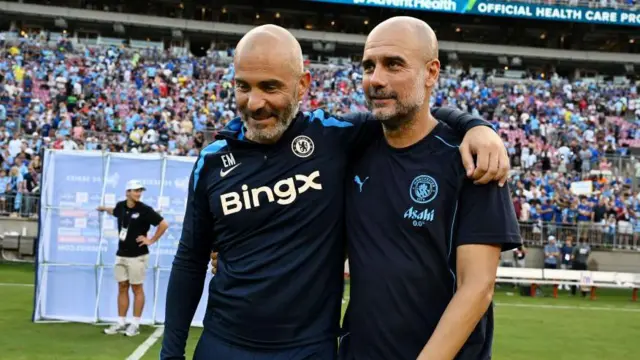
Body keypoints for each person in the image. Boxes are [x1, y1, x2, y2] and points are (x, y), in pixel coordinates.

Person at [161, 24, 509, 360]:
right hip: (228, 344)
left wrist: (477, 126)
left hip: (311, 349)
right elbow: (191, 260)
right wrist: (171, 354)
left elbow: (410, 115)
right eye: (242, 86)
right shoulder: (213, 162)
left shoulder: (335, 138)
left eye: (270, 86)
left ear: (302, 86)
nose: (255, 103)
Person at [340, 17, 522, 360]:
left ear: (431, 72)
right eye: (368, 66)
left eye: (394, 64)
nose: (376, 79)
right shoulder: (351, 146)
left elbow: (477, 287)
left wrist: (477, 127)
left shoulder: (471, 159)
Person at [98, 179, 169, 336]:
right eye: (135, 190)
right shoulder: (120, 206)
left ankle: (135, 324)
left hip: (138, 256)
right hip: (121, 254)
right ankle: (121, 322)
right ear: (127, 192)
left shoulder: (145, 210)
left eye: (140, 191)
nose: (138, 193)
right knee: (122, 286)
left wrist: (151, 240)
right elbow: (115, 212)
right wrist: (103, 208)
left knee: (137, 288)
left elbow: (163, 224)